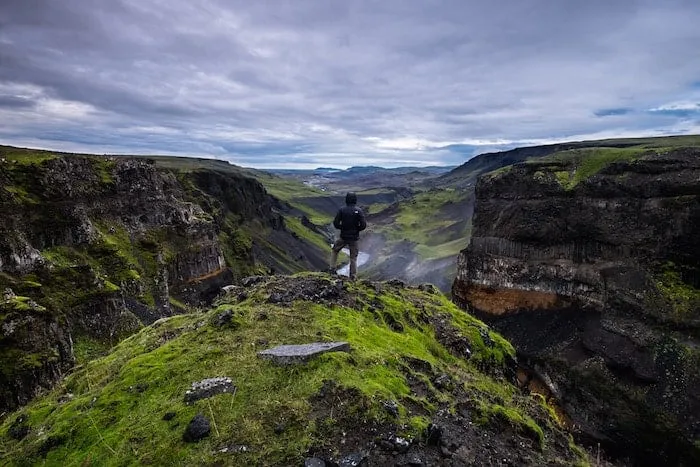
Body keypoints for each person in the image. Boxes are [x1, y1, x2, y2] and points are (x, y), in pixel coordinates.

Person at [329, 192, 367, 279]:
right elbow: (363, 225)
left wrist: (342, 228)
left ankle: (332, 269)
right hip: (354, 238)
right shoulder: (359, 211)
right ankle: (353, 275)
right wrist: (357, 229)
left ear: (346, 199)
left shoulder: (342, 210)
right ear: (355, 200)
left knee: (335, 250)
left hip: (343, 237)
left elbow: (336, 223)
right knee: (353, 257)